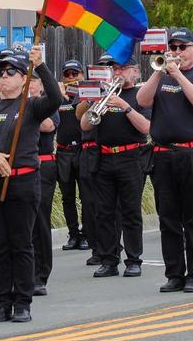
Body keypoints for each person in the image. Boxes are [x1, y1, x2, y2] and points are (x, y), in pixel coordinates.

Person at [0, 47, 62, 323]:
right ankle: (1, 302)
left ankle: (22, 301)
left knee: (21, 243)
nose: (3, 77)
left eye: (10, 72)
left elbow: (55, 98)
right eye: (0, 73)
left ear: (23, 78)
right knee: (0, 246)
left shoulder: (31, 105)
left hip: (24, 182)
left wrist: (40, 65)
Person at [136, 27, 193, 294]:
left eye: (183, 47)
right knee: (168, 217)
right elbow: (142, 100)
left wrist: (178, 74)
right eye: (174, 47)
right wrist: (159, 72)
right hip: (164, 155)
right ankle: (174, 273)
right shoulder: (161, 76)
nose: (177, 52)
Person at [78, 51, 151, 280]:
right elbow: (85, 125)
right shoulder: (103, 94)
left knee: (130, 212)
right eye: (115, 69)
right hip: (105, 156)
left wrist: (124, 106)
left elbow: (146, 128)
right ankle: (109, 260)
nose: (118, 73)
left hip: (131, 157)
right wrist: (95, 101)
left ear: (135, 71)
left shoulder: (140, 96)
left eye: (123, 68)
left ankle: (133, 260)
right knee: (104, 212)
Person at [54, 59, 91, 253]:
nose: (70, 78)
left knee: (86, 195)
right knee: (67, 197)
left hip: (82, 150)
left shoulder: (85, 97)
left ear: (82, 76)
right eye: (67, 74)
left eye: (74, 74)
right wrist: (58, 94)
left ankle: (86, 234)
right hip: (63, 151)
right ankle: (73, 234)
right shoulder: (56, 97)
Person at [28, 73, 59, 296]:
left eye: (33, 81)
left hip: (42, 164)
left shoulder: (45, 104)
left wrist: (26, 107)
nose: (29, 84)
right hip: (16, 164)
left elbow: (48, 126)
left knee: (40, 220)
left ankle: (40, 274)